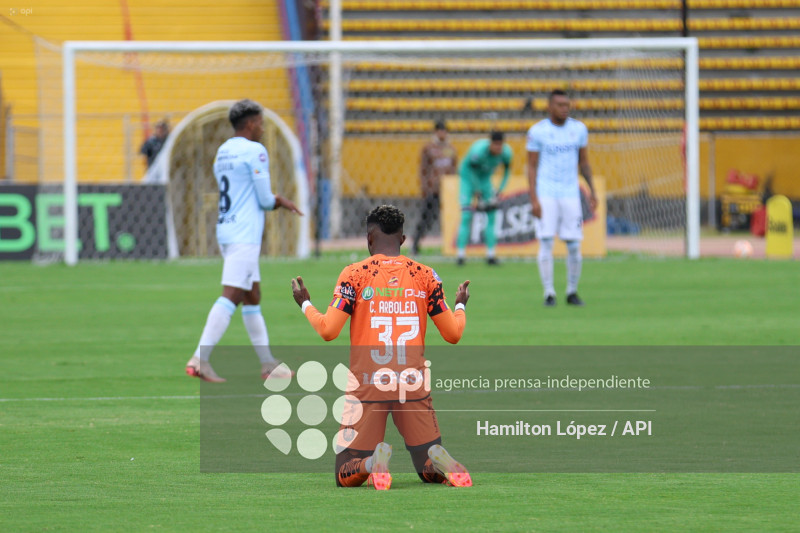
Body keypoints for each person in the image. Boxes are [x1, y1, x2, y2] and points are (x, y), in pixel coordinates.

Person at [291, 205, 472, 490]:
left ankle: (371, 462)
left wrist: (305, 304)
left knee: (344, 474)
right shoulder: (426, 276)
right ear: (403, 239)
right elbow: (453, 334)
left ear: (368, 238)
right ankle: (438, 459)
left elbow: (328, 330)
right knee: (424, 467)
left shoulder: (355, 274)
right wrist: (460, 304)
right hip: (412, 383)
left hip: (368, 384)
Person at [185, 99, 303, 382]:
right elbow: (263, 199)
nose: (262, 128)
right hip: (245, 234)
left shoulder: (223, 152)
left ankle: (267, 364)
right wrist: (281, 201)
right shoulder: (255, 151)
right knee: (233, 295)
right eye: (261, 122)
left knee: (252, 296)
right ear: (250, 123)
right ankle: (200, 358)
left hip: (226, 229)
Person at [527, 89, 597, 307]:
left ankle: (572, 291)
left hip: (570, 194)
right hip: (546, 193)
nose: (564, 108)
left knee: (574, 245)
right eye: (559, 105)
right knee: (546, 241)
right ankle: (549, 293)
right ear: (549, 106)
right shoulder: (538, 131)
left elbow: (583, 162)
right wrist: (534, 199)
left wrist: (592, 190)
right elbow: (531, 166)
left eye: (567, 104)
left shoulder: (578, 130)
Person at [456, 131, 512, 265]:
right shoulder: (478, 151)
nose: (498, 148)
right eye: (495, 145)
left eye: (500, 145)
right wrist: (478, 193)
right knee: (466, 215)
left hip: (485, 180)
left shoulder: (506, 153)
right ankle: (460, 255)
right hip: (468, 179)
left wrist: (499, 190)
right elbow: (471, 171)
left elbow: (507, 172)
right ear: (490, 143)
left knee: (492, 214)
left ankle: (491, 255)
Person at [412, 120, 458, 255]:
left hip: (448, 191)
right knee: (427, 218)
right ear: (436, 132)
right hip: (433, 189)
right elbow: (423, 169)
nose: (442, 133)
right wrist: (424, 187)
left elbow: (454, 168)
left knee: (449, 219)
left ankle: (450, 245)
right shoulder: (428, 148)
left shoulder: (451, 149)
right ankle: (416, 243)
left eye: (444, 131)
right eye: (440, 130)